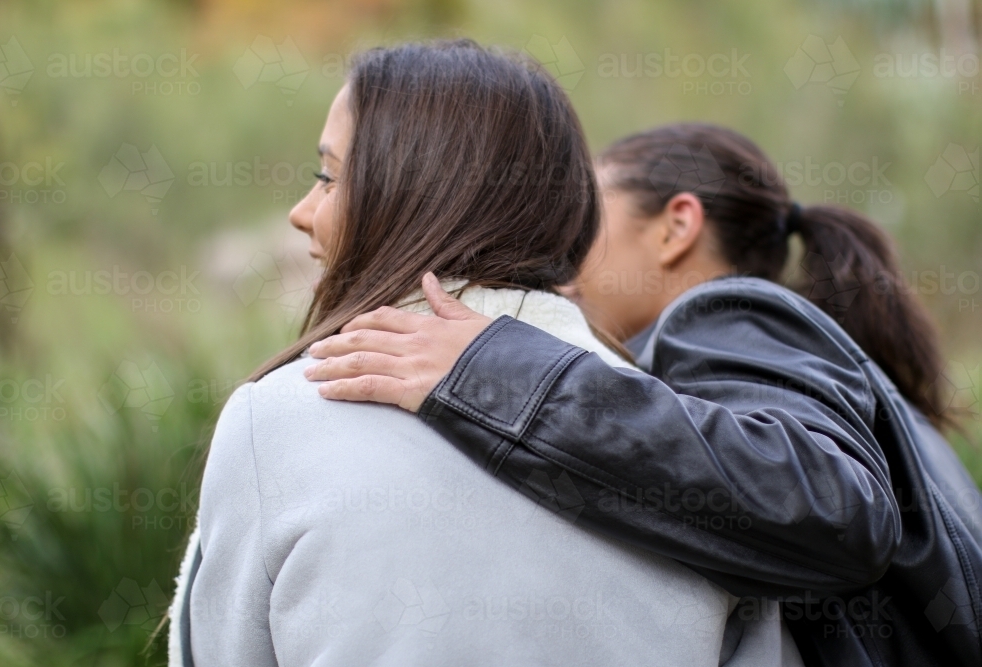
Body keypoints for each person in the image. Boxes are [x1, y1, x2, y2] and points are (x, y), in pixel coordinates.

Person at [168, 47, 796, 667]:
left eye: (329, 176)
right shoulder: (706, 460)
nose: (302, 213)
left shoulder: (282, 419)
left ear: (415, 198)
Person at [304, 124, 982, 666]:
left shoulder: (727, 314)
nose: (560, 252)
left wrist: (491, 370)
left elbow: (835, 508)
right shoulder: (795, 359)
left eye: (586, 220)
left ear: (676, 225)